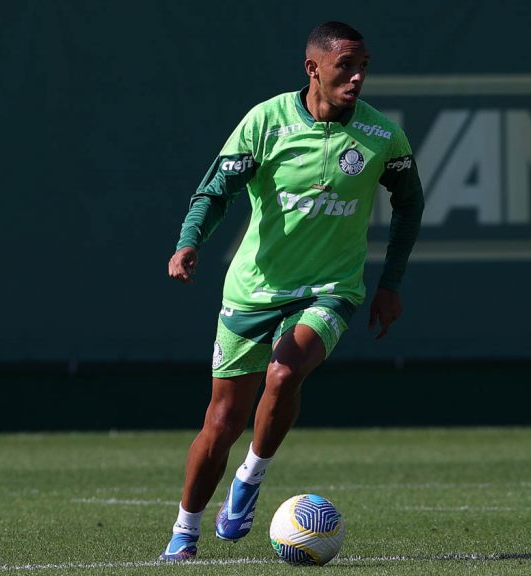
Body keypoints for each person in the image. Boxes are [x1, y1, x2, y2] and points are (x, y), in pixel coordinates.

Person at [160, 21, 424, 561]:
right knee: (221, 421)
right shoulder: (266, 121)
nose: (356, 77)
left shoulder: (381, 136)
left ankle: (252, 476)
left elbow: (410, 205)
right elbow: (216, 191)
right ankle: (184, 534)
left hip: (330, 290)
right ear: (313, 68)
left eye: (363, 66)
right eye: (344, 66)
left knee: (283, 372)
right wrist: (190, 244)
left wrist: (390, 283)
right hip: (254, 290)